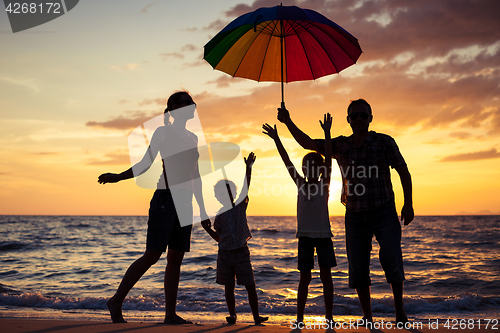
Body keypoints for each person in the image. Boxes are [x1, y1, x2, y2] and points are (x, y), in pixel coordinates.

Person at [277, 99, 414, 324]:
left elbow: (403, 170)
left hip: (384, 210)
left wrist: (408, 203)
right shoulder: (341, 145)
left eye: (363, 115)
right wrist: (288, 121)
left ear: (371, 118)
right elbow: (307, 143)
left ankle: (400, 311)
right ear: (348, 119)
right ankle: (367, 316)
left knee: (392, 258)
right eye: (355, 115)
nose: (359, 119)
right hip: (355, 214)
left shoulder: (384, 142)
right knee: (358, 266)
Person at [98, 91, 210, 324]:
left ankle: (170, 314)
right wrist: (117, 177)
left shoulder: (193, 137)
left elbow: (195, 175)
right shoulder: (163, 132)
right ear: (175, 108)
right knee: (152, 254)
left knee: (176, 258)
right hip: (165, 199)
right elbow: (145, 164)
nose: (193, 107)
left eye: (193, 103)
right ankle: (116, 300)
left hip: (185, 201)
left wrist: (202, 209)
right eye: (188, 103)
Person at [262, 114, 336, 324]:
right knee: (305, 278)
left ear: (320, 171)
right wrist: (277, 139)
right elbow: (286, 161)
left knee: (326, 278)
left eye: (316, 167)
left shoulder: (324, 184)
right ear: (303, 170)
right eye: (307, 167)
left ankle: (329, 317)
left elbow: (329, 159)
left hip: (323, 237)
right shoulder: (301, 184)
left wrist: (327, 134)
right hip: (304, 237)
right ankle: (300, 318)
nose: (311, 170)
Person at [201, 152, 268, 325]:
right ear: (217, 197)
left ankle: (256, 316)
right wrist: (207, 229)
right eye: (221, 193)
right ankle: (233, 315)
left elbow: (247, 185)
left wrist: (248, 168)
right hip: (224, 254)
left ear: (235, 193)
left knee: (250, 285)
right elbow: (219, 237)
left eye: (228, 192)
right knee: (228, 286)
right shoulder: (219, 215)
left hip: (241, 251)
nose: (224, 195)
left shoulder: (240, 205)